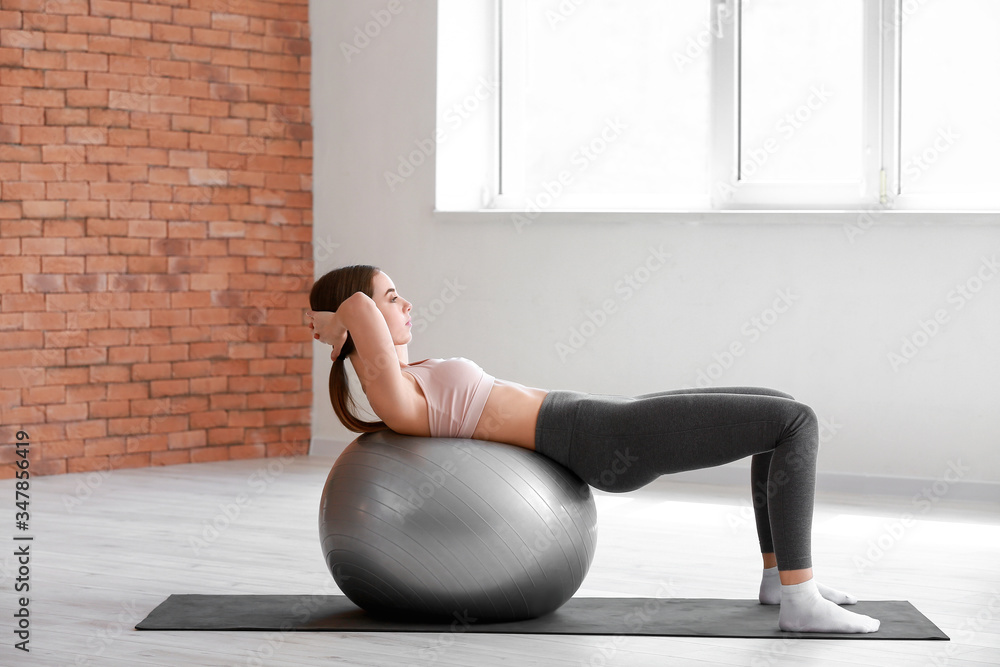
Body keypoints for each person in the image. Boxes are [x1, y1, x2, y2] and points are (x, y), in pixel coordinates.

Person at [306, 264, 880, 634]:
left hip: (599, 416)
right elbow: (356, 306)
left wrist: (352, 317)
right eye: (391, 298)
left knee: (776, 403)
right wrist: (338, 319)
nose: (406, 305)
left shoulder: (413, 375)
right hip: (602, 439)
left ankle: (778, 578)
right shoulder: (395, 397)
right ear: (356, 325)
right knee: (795, 422)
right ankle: (801, 601)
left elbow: (362, 310)